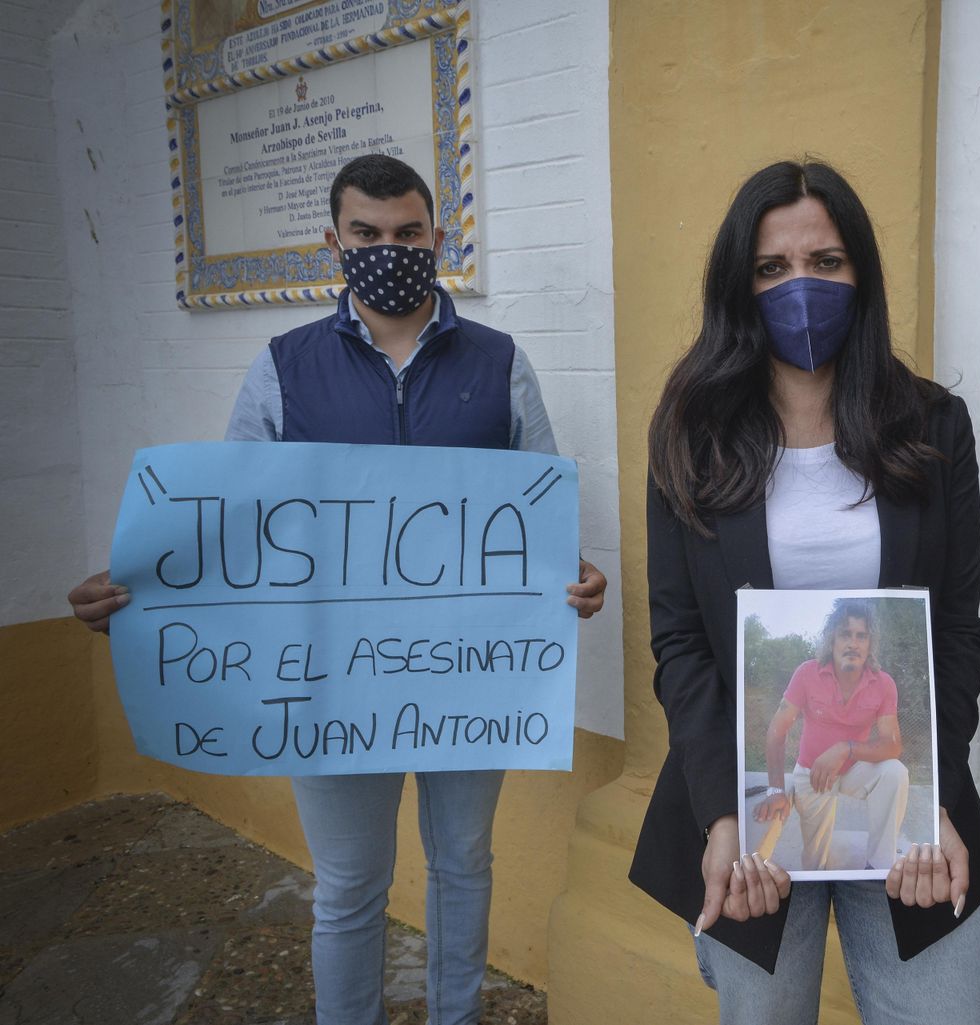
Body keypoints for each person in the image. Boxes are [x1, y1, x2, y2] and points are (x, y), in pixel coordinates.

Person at [67, 153, 606, 1025]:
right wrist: (139, 591)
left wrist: (574, 576)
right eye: (367, 233)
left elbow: (539, 508)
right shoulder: (283, 367)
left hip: (468, 673)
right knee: (351, 882)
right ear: (334, 241)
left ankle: (456, 1015)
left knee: (464, 861)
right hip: (329, 680)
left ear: (437, 237)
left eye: (407, 233)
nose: (388, 247)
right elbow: (229, 528)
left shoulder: (499, 363)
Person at [630, 159, 980, 1024]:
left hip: (905, 816)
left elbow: (957, 632)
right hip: (754, 828)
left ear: (860, 272)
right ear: (740, 284)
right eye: (772, 267)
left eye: (826, 262)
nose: (801, 286)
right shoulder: (690, 434)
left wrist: (932, 796)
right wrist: (726, 813)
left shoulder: (935, 427)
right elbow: (681, 643)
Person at [756, 600, 910, 871]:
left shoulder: (883, 683)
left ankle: (878, 867)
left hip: (853, 769)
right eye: (845, 634)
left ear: (870, 643)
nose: (853, 643)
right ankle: (814, 883)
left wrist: (845, 749)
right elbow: (777, 730)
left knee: (895, 773)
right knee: (815, 861)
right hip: (813, 773)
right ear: (832, 640)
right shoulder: (807, 673)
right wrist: (776, 789)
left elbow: (893, 745)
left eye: (861, 636)